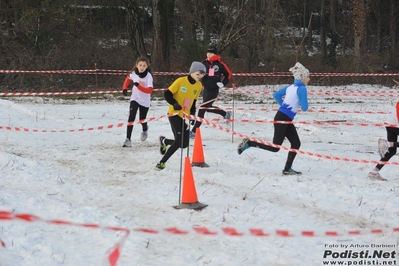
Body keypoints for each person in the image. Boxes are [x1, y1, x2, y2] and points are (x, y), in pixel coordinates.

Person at [237, 62, 310, 175]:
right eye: (307, 76)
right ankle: (249, 143)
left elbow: (276, 95)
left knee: (296, 143)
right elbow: (305, 108)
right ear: (302, 77)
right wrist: (297, 103)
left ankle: (287, 169)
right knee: (275, 147)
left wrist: (284, 106)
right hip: (283, 119)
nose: (309, 79)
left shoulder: (290, 87)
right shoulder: (302, 88)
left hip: (283, 118)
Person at [156, 61, 206, 170]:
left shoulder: (198, 86)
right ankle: (162, 162)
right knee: (179, 141)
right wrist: (174, 104)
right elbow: (167, 93)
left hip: (185, 116)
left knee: (184, 144)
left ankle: (165, 141)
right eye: (198, 74)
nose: (200, 77)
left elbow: (193, 101)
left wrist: (192, 114)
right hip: (174, 114)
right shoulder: (180, 81)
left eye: (202, 75)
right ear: (191, 72)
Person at [190, 45, 233, 138]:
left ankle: (194, 131)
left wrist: (223, 83)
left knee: (202, 109)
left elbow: (229, 74)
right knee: (207, 107)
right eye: (207, 53)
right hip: (205, 88)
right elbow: (197, 73)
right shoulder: (204, 63)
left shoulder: (220, 64)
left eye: (211, 53)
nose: (208, 55)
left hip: (214, 90)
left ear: (215, 54)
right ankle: (225, 114)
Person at [121, 56, 154, 148]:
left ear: (147, 66)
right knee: (131, 117)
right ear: (137, 65)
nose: (142, 67)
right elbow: (128, 78)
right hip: (135, 98)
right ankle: (128, 139)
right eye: (140, 65)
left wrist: (138, 86)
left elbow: (149, 90)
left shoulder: (148, 76)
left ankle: (145, 129)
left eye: (144, 65)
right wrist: (124, 88)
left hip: (145, 100)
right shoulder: (133, 73)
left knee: (142, 119)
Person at [367, 101, 399, 181]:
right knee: (391, 148)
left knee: (392, 151)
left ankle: (374, 172)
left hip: (391, 124)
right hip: (394, 125)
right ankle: (387, 144)